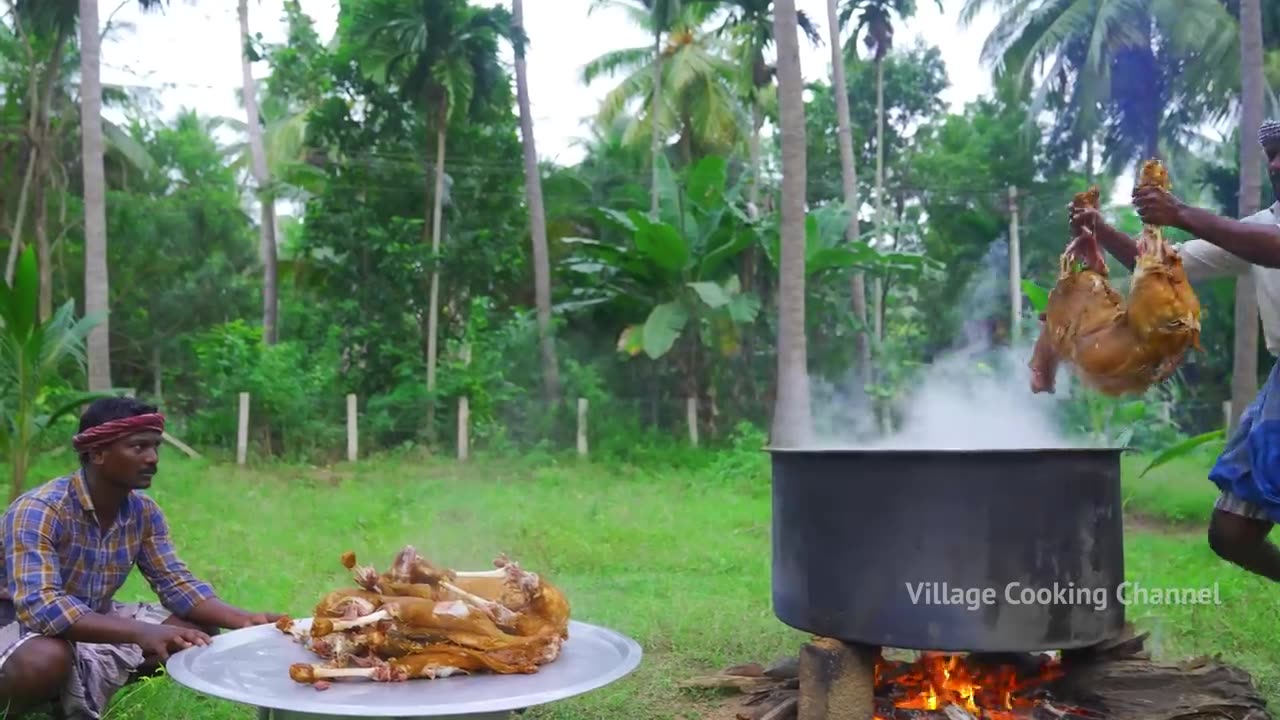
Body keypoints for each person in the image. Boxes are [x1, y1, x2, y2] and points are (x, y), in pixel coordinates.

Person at [1068, 119, 1280, 582]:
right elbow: (1159, 269)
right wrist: (1099, 228)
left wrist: (1181, 212)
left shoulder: (1263, 235)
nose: (1278, 162)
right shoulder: (1258, 225)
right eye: (1273, 153)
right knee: (1232, 533)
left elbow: (1275, 249)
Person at [0, 396, 283, 718]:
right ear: (98, 453)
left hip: (92, 614)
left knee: (192, 633)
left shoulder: (143, 512)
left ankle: (65, 694)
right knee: (45, 659)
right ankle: (21, 703)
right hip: (14, 624)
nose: (152, 458)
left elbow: (176, 583)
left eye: (155, 446)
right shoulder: (39, 510)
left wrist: (245, 621)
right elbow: (41, 608)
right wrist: (139, 632)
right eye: (138, 447)